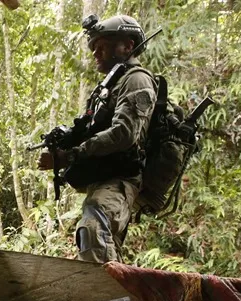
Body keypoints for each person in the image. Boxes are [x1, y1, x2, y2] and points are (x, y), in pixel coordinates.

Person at [38, 15, 157, 263]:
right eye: (93, 47)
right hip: (104, 177)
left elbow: (124, 133)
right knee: (106, 249)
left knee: (93, 230)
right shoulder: (110, 86)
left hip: (120, 179)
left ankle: (103, 291)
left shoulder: (137, 79)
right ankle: (114, 290)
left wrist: (71, 155)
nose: (95, 53)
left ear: (127, 45)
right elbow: (92, 129)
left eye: (102, 46)